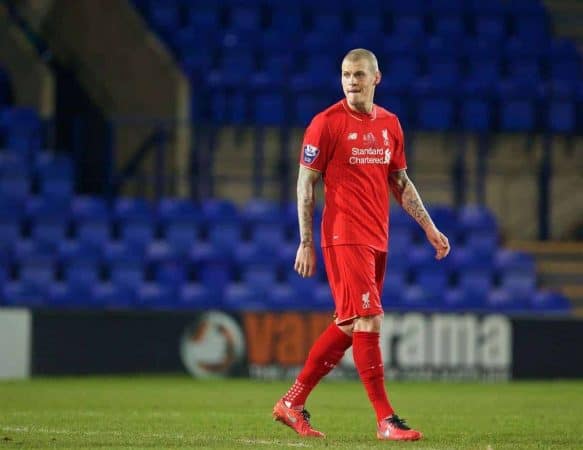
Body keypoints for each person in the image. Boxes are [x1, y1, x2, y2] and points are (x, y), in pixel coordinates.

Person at [272, 49, 451, 441]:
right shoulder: (326, 123)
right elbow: (306, 184)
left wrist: (429, 228)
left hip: (377, 237)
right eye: (345, 74)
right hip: (343, 235)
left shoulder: (390, 124)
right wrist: (305, 242)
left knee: (350, 324)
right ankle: (386, 419)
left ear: (376, 78)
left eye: (358, 74)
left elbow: (400, 182)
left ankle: (292, 402)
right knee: (369, 319)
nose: (351, 81)